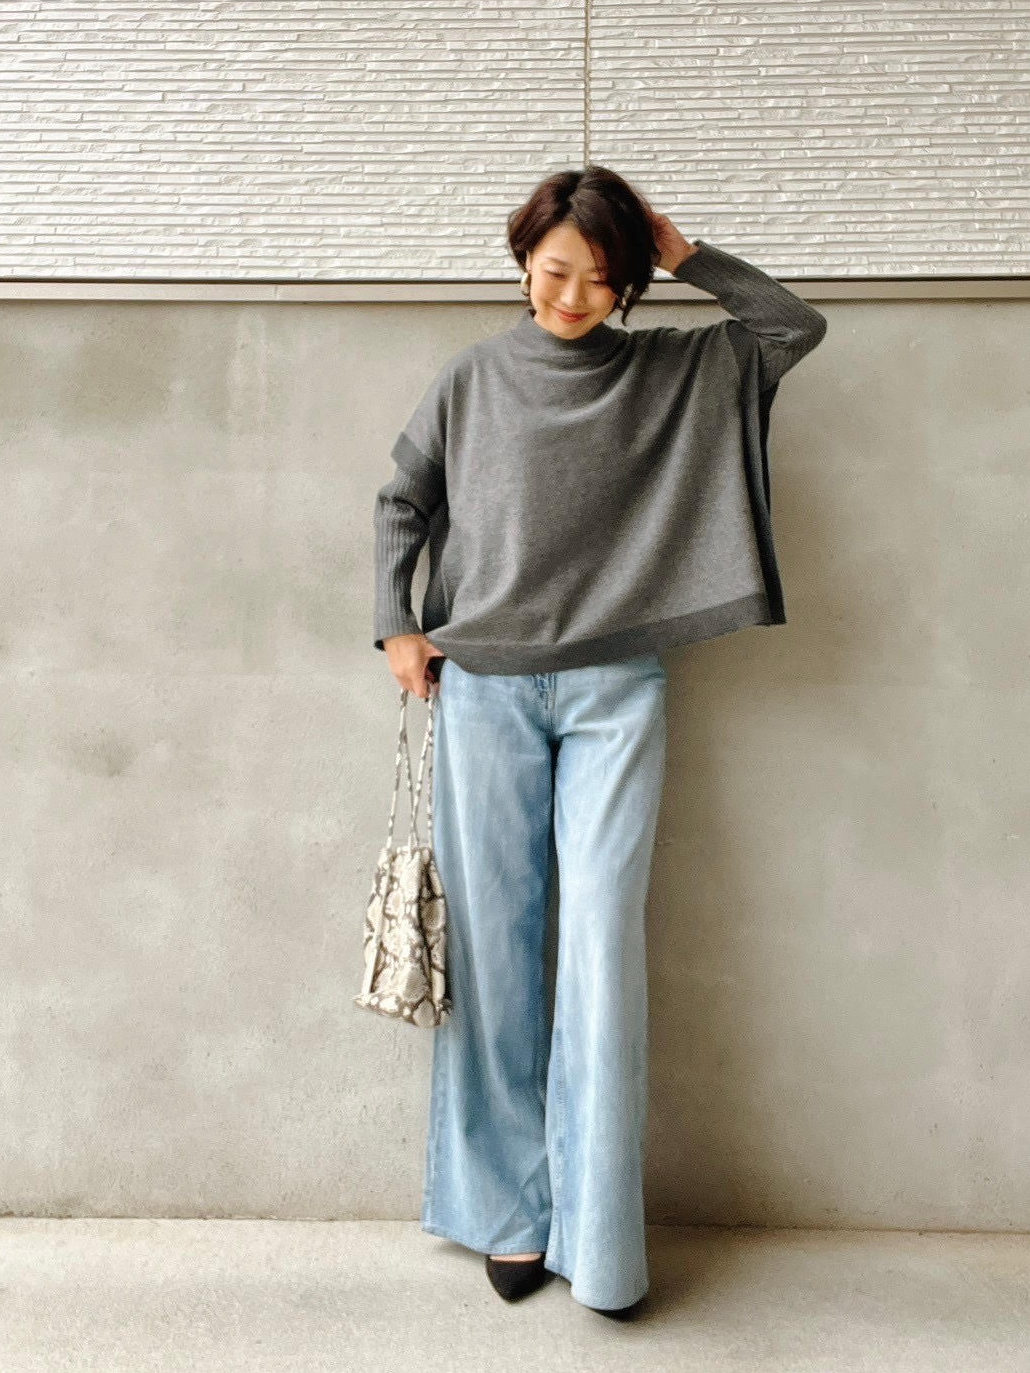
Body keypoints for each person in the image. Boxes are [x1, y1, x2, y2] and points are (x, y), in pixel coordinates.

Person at [372, 165, 827, 1317]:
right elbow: (402, 501)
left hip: (616, 690)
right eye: (554, 269)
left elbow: (791, 326)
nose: (571, 295)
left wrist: (686, 255)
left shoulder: (668, 371)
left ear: (627, 280)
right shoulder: (473, 377)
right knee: (494, 952)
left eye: (598, 276)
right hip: (483, 689)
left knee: (601, 950)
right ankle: (509, 1213)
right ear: (523, 260)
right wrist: (396, 624)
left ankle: (601, 1240)